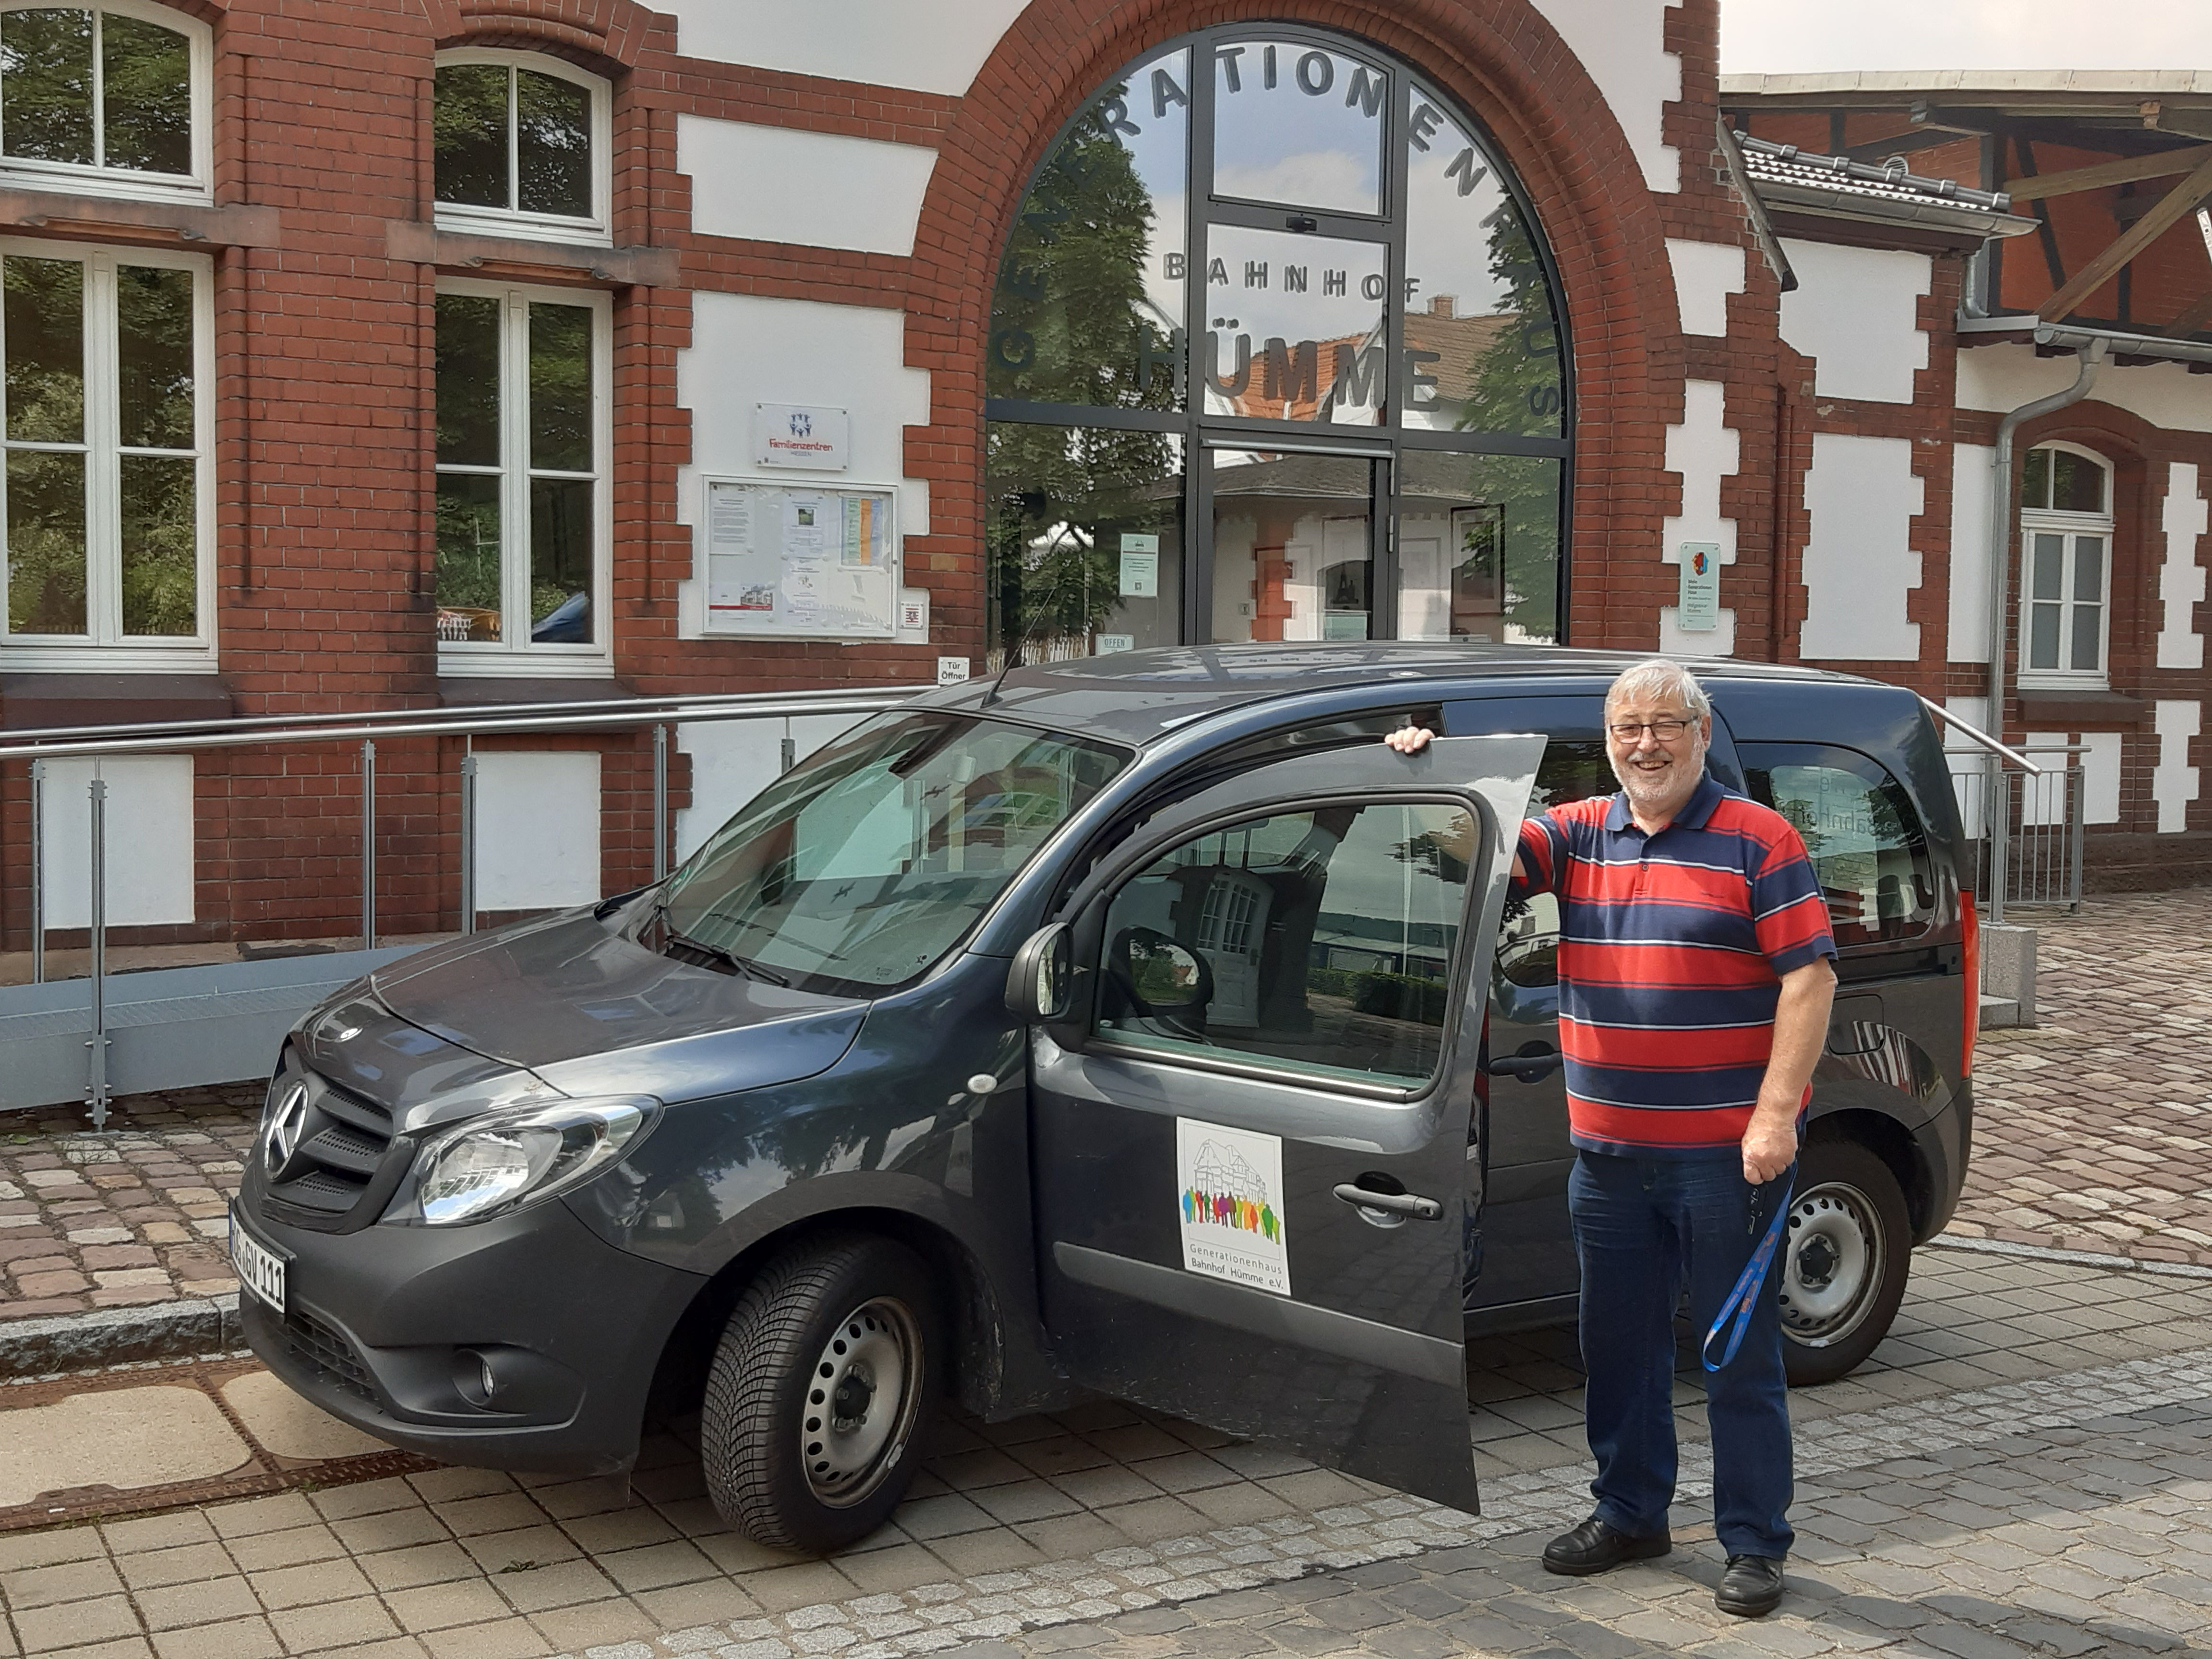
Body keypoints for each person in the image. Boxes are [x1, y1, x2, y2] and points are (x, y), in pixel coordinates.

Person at [1386, 658, 1837, 1619]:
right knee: (1618, 1347)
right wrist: (1431, 775)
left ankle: (1755, 1542)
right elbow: (1473, 855)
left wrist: (1773, 1114)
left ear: (1701, 736)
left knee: (1737, 1358)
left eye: (1665, 724)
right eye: (1628, 727)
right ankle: (1631, 1512)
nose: (1645, 744)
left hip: (1730, 1160)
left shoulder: (1762, 841)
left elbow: (1810, 980)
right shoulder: (1581, 833)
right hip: (1610, 1161)